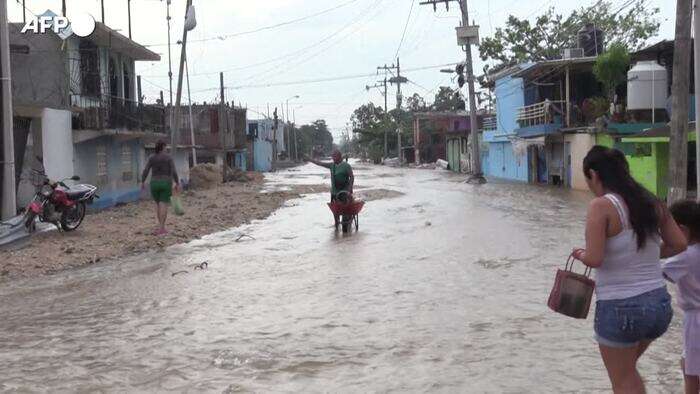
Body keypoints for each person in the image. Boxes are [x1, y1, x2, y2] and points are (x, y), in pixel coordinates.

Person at [572, 145, 687, 393]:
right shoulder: (652, 201)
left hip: (621, 307)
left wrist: (579, 253)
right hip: (658, 306)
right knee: (627, 373)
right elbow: (679, 243)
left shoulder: (601, 206)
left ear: (593, 175)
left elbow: (594, 258)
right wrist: (648, 254)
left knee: (623, 379)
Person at [662, 200, 700, 394]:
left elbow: (657, 271)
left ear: (682, 231)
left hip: (695, 321)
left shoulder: (686, 256)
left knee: (691, 372)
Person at [141, 140, 179, 236]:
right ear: (163, 147)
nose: (166, 149)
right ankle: (162, 228)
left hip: (154, 183)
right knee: (163, 205)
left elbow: (146, 170)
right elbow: (174, 171)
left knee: (158, 204)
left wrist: (142, 181)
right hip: (165, 183)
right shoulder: (168, 158)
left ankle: (160, 227)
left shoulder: (151, 158)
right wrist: (177, 182)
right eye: (165, 147)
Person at [305, 150, 354, 224]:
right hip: (334, 192)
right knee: (335, 209)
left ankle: (347, 221)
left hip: (345, 192)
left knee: (345, 209)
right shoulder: (332, 165)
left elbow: (352, 177)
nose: (333, 158)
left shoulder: (346, 166)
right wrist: (310, 159)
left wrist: (349, 189)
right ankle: (336, 223)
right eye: (332, 157)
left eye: (335, 156)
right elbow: (320, 163)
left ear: (340, 157)